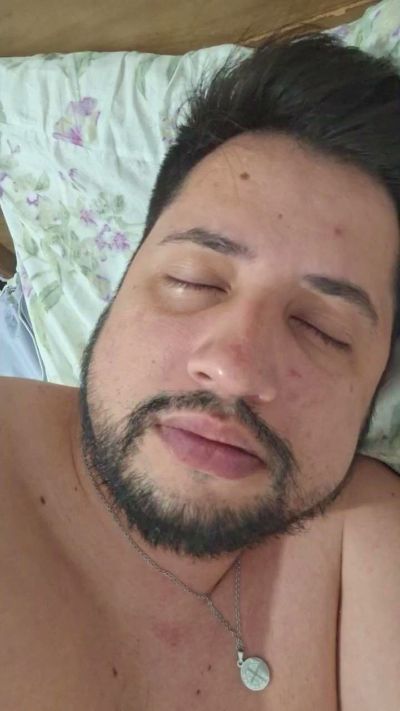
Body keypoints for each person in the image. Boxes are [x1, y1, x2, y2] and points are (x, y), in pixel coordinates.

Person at [1, 30, 400, 710]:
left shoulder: (363, 533)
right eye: (195, 281)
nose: (234, 369)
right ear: (121, 284)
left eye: (322, 329)